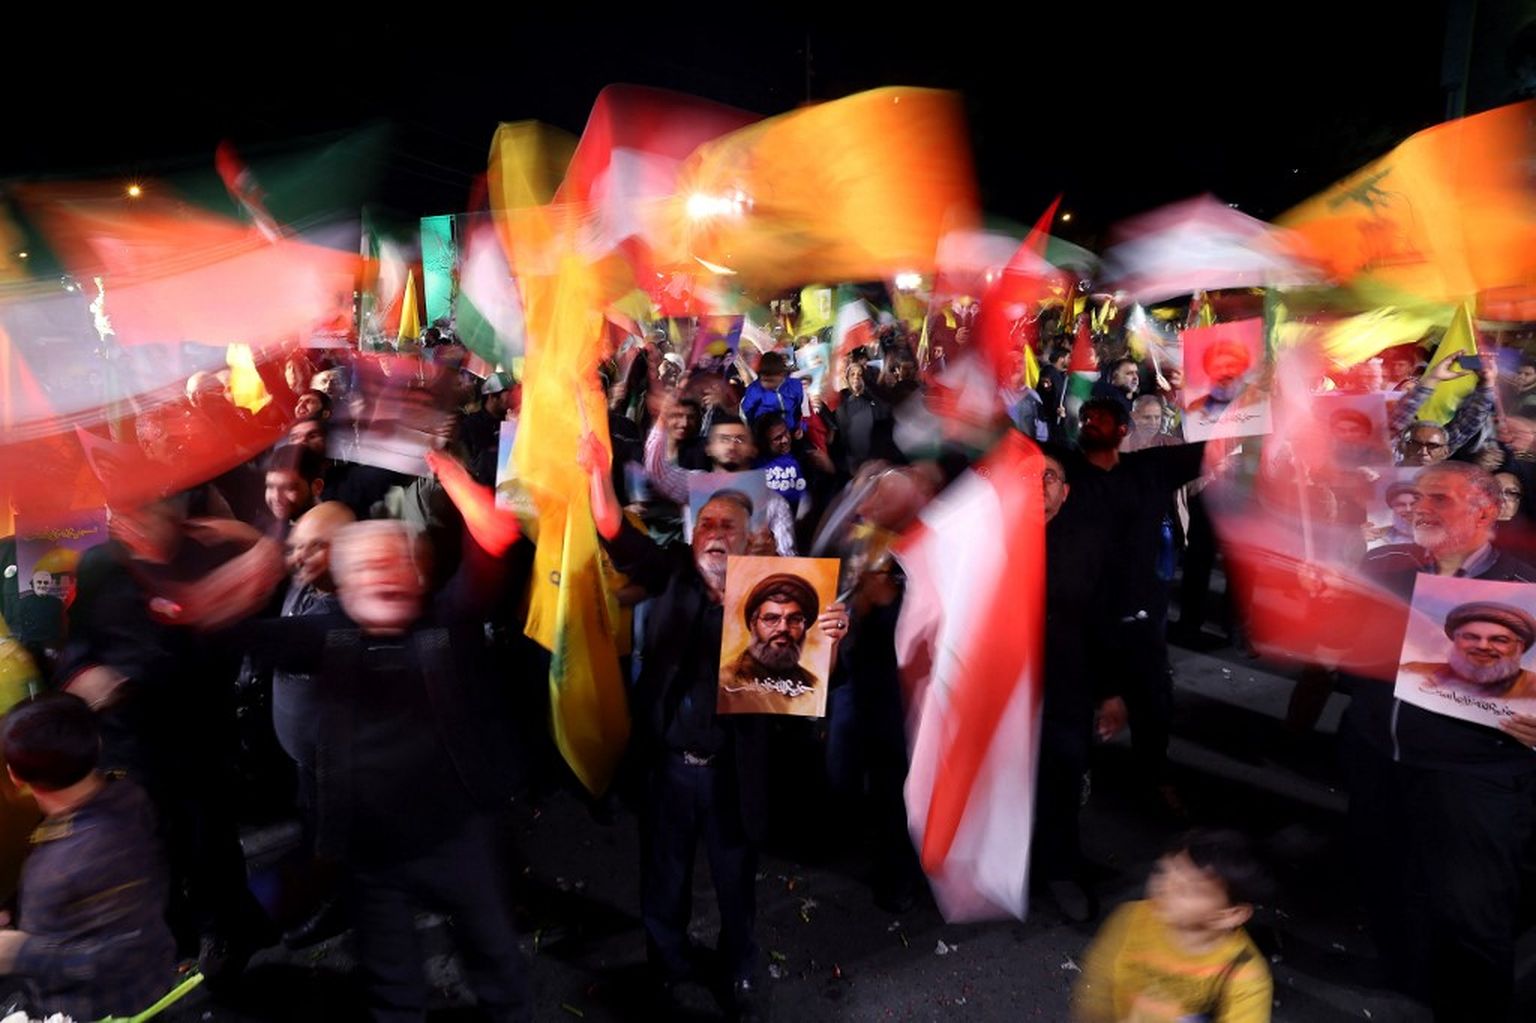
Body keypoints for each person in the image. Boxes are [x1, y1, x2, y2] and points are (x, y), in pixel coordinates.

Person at [227, 453, 532, 1022]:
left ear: (420, 573)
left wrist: (456, 479)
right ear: (342, 584)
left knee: (495, 964)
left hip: (458, 836)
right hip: (373, 852)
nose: (381, 576)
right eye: (365, 567)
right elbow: (233, 633)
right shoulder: (327, 635)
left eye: (394, 563)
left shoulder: (448, 621)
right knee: (393, 988)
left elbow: (494, 543)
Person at [588, 445, 847, 1019]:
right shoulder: (672, 572)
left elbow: (811, 678)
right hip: (668, 769)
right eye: (705, 523)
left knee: (735, 884)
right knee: (664, 879)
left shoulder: (780, 595)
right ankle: (668, 965)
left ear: (752, 540)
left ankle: (740, 971)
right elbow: (615, 532)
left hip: (734, 773)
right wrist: (594, 471)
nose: (714, 533)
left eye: (727, 525)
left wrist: (830, 637)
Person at [1342, 459, 1536, 1019]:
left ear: (1487, 510)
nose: (1420, 508)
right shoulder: (1386, 565)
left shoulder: (1524, 588)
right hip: (1381, 758)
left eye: (1440, 499)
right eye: (1418, 496)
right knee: (1389, 880)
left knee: (1472, 910)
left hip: (1474, 777)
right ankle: (1407, 976)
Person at [0, 693, 177, 1020]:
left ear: (15, 776)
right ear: (97, 742)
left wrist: (19, 952)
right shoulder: (124, 791)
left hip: (106, 1007)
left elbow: (123, 956)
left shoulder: (89, 852)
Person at [1066, 398, 1206, 808]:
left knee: (1153, 701)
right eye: (1085, 417)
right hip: (1083, 615)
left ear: (1123, 430)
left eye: (1102, 418)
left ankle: (1155, 773)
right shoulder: (1067, 470)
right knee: (1078, 700)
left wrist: (1223, 399)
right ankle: (1077, 773)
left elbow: (1214, 447)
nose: (1091, 422)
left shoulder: (1150, 468)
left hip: (1140, 613)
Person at [1073, 829, 1273, 1023]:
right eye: (1164, 872)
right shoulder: (1132, 918)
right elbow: (1098, 982)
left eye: (1188, 889)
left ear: (1230, 915)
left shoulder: (1245, 975)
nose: (1165, 887)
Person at [644, 400, 797, 556]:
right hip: (697, 570)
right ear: (709, 448)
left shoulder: (774, 502)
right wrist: (662, 417)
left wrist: (773, 555)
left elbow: (790, 558)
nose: (731, 446)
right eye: (724, 439)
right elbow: (656, 472)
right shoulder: (692, 484)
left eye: (739, 439)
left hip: (751, 571)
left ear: (753, 449)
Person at [720, 571, 822, 711]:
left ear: (804, 627)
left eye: (794, 619)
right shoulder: (727, 682)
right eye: (771, 618)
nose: (783, 628)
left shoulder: (814, 686)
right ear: (753, 624)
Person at [1400, 601, 1536, 701]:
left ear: (1520, 646)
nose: (1483, 646)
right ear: (1455, 640)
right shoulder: (1414, 672)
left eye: (1499, 640)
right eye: (1471, 637)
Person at [1388, 354, 1496, 462]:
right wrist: (1433, 378)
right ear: (1402, 446)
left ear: (1445, 452)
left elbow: (1471, 421)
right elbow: (1400, 417)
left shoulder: (1443, 444)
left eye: (1432, 446)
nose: (1423, 452)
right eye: (1415, 444)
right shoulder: (1390, 457)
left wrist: (1487, 382)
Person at [832, 362, 898, 477]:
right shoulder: (841, 401)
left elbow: (886, 411)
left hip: (873, 459)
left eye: (860, 374)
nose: (856, 377)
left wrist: (867, 389)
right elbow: (841, 433)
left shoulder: (870, 398)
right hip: (852, 461)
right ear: (847, 378)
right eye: (852, 374)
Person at [262, 444, 327, 537]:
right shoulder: (268, 527)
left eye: (289, 488)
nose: (276, 497)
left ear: (317, 487)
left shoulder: (331, 533)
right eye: (270, 486)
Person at [1186, 341, 1255, 419]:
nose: (1224, 372)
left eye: (1230, 366)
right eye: (1217, 368)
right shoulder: (1196, 407)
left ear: (1243, 367)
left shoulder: (1260, 398)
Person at [739, 352, 805, 434]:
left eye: (770, 381)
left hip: (790, 430)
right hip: (766, 434)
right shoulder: (754, 390)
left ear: (782, 375)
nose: (765, 384)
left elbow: (800, 409)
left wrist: (800, 427)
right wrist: (753, 432)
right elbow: (745, 412)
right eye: (763, 380)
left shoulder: (795, 386)